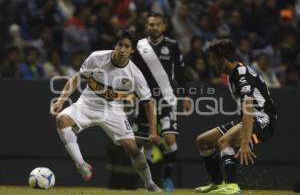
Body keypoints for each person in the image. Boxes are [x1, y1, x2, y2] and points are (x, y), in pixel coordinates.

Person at [50, 30, 162, 192]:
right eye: (120, 45)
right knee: (61, 119)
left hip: (113, 110)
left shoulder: (135, 74)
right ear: (115, 46)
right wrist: (61, 100)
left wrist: (153, 131)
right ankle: (81, 165)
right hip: (87, 103)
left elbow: (149, 103)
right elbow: (76, 78)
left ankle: (149, 184)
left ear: (132, 51)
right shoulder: (97, 57)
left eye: (127, 46)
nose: (122, 49)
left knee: (131, 148)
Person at [194, 39, 277, 194]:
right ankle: (218, 184)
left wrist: (244, 143)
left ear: (223, 60)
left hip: (263, 120)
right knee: (203, 141)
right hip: (250, 118)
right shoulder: (234, 74)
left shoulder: (242, 76)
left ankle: (232, 187)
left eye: (213, 60)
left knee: (224, 141)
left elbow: (248, 110)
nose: (212, 64)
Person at [132, 12, 191, 192]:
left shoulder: (172, 46)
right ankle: (149, 181)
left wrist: (185, 95)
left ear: (163, 26)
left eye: (157, 24)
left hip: (166, 98)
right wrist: (132, 92)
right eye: (151, 24)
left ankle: (166, 177)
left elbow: (180, 71)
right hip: (145, 99)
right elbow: (132, 71)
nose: (154, 27)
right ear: (146, 26)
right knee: (144, 142)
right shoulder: (139, 46)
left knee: (169, 137)